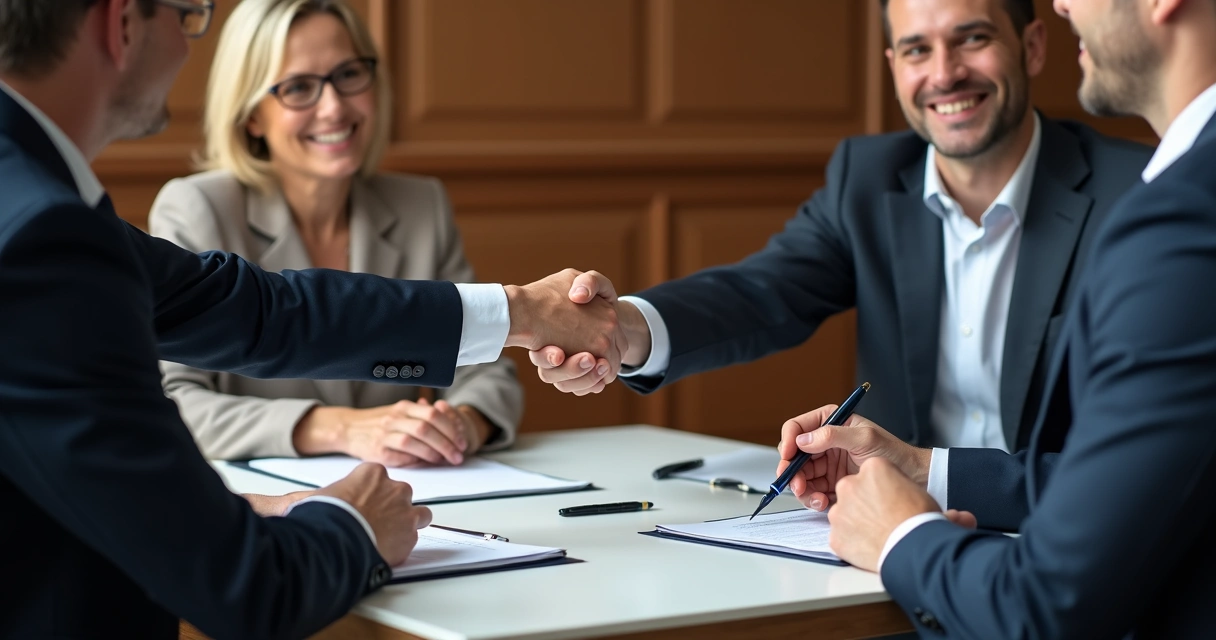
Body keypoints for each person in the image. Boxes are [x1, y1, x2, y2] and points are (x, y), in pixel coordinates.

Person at [0, 1, 625, 638]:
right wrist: (356, 524)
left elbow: (259, 312)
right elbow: (244, 587)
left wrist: (519, 312)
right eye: (185, 14)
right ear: (122, 22)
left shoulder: (35, 206)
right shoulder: (42, 234)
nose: (190, 47)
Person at [531, 0, 1153, 461]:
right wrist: (622, 330)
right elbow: (759, 294)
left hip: (1058, 544)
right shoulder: (869, 177)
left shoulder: (1137, 193)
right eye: (916, 50)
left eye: (973, 39)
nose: (944, 74)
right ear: (892, 65)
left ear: (1035, 46)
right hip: (902, 545)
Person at [776, 0, 1216, 636]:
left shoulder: (1178, 223)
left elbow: (1048, 607)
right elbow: (1152, 475)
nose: (1063, 2)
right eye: (917, 49)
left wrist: (901, 535)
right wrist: (923, 470)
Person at [149, 0, 523, 467]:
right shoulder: (198, 208)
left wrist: (458, 424)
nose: (334, 107)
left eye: (348, 74)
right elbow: (172, 400)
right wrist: (340, 428)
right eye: (299, 87)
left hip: (417, 490)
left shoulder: (420, 206)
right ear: (251, 115)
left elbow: (489, 370)